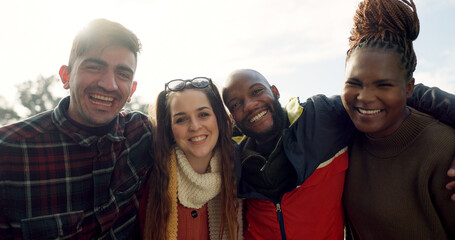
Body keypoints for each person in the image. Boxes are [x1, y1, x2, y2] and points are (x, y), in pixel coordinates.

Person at [222, 67, 455, 239]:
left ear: (275, 91)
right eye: (236, 104)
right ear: (232, 118)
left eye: (257, 92)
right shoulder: (232, 161)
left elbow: (395, 93)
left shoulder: (321, 118)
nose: (250, 105)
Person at [0, 19, 154, 239]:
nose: (109, 84)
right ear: (66, 76)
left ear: (132, 90)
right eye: (94, 67)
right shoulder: (8, 151)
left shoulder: (142, 133)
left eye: (122, 74)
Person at [341, 0, 455, 239]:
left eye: (383, 85)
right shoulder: (342, 138)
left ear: (408, 88)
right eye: (354, 83)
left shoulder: (444, 150)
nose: (365, 97)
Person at [139, 77, 242, 240]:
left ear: (219, 119)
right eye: (181, 119)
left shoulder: (242, 174)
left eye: (203, 114)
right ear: (169, 128)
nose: (194, 126)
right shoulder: (149, 181)